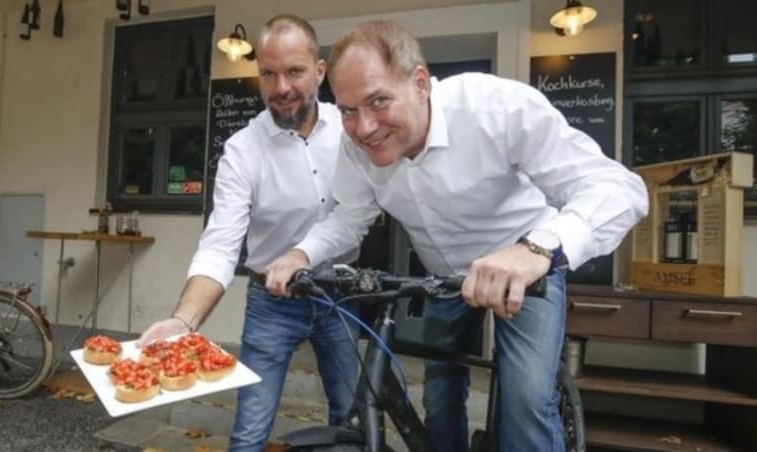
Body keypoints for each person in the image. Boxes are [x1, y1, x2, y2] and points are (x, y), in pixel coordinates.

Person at [266, 20, 648, 452]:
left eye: (378, 101)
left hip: (525, 268)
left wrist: (536, 249)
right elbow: (351, 216)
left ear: (421, 83)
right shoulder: (355, 146)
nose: (364, 127)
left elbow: (620, 189)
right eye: (349, 110)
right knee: (439, 395)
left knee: (524, 402)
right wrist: (301, 253)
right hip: (443, 277)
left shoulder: (495, 108)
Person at [137, 15, 359, 452]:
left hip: (341, 295)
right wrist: (185, 321)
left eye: (295, 71)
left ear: (320, 70)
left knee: (349, 420)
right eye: (269, 74)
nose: (281, 88)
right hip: (272, 304)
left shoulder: (352, 131)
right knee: (250, 429)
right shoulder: (241, 150)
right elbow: (220, 245)